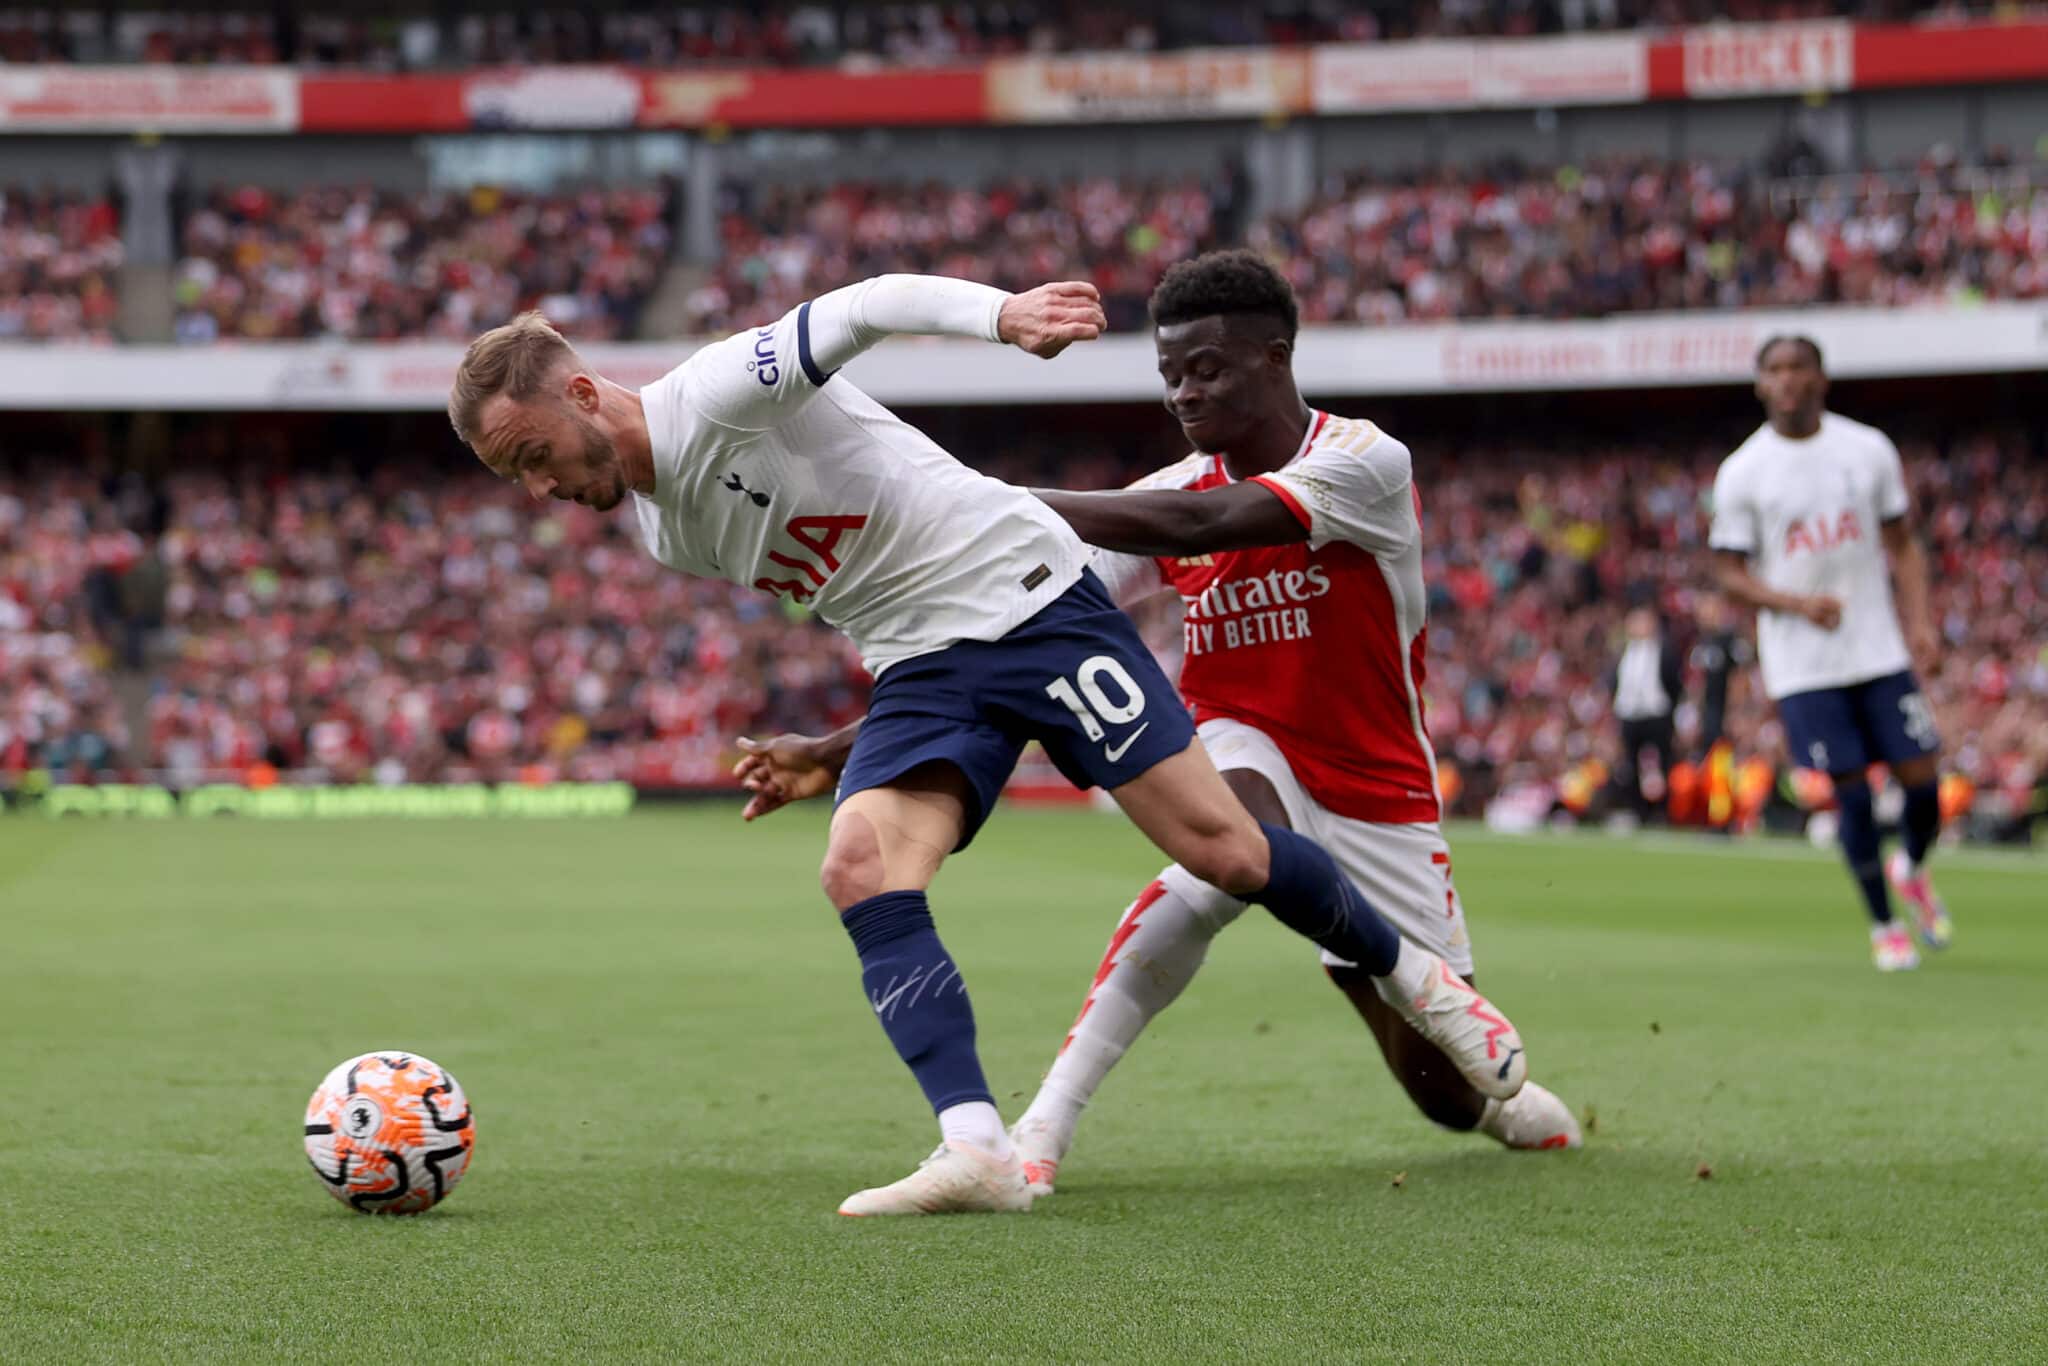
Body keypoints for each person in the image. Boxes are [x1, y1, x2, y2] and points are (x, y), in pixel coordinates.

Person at [449, 273, 1528, 1216]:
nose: (540, 489)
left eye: (534, 456)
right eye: (516, 479)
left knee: (1228, 854)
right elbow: (872, 582)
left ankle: (1421, 983)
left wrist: (1000, 315)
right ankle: (977, 1146)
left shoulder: (719, 393)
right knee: (859, 866)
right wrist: (831, 751)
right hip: (919, 663)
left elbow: (868, 305)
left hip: (1028, 601)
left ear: (582, 395)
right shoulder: (662, 527)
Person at [736, 252, 1575, 1199]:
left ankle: (1487, 1086)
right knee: (1220, 852)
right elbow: (1008, 648)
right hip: (1235, 738)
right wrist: (838, 746)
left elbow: (1201, 524)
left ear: (1276, 355)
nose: (1183, 391)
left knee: (1446, 1102)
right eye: (1170, 372)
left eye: (1207, 369)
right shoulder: (1166, 488)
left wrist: (981, 504)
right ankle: (1041, 1126)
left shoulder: (1365, 462)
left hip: (1379, 787)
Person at [1710, 335, 1951, 972]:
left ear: (1822, 378)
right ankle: (1882, 926)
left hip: (1877, 646)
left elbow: (1903, 543)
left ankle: (1913, 866)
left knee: (1924, 781)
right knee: (1852, 794)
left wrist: (1921, 623)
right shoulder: (1744, 471)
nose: (1788, 380)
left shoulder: (1867, 449)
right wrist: (1795, 603)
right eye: (1775, 370)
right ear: (1760, 384)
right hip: (1803, 663)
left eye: (1799, 368)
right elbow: (1728, 572)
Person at [1610, 607, 1682, 825]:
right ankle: (1638, 810)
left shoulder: (1663, 651)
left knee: (1664, 762)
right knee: (1630, 765)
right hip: (1631, 714)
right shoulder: (1624, 651)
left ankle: (1664, 811)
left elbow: (1674, 683)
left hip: (1656, 714)